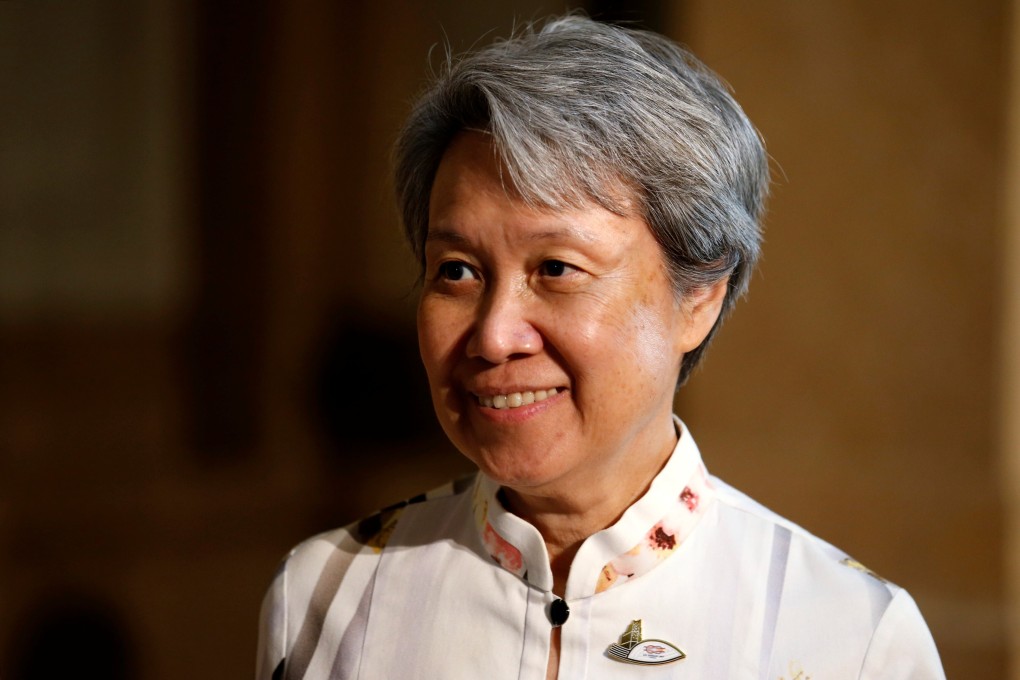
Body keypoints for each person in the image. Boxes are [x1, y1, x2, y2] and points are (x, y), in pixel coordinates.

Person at [257, 15, 945, 679]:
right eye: (457, 270)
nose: (495, 335)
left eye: (556, 269)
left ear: (699, 297)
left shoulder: (847, 639)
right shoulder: (327, 594)